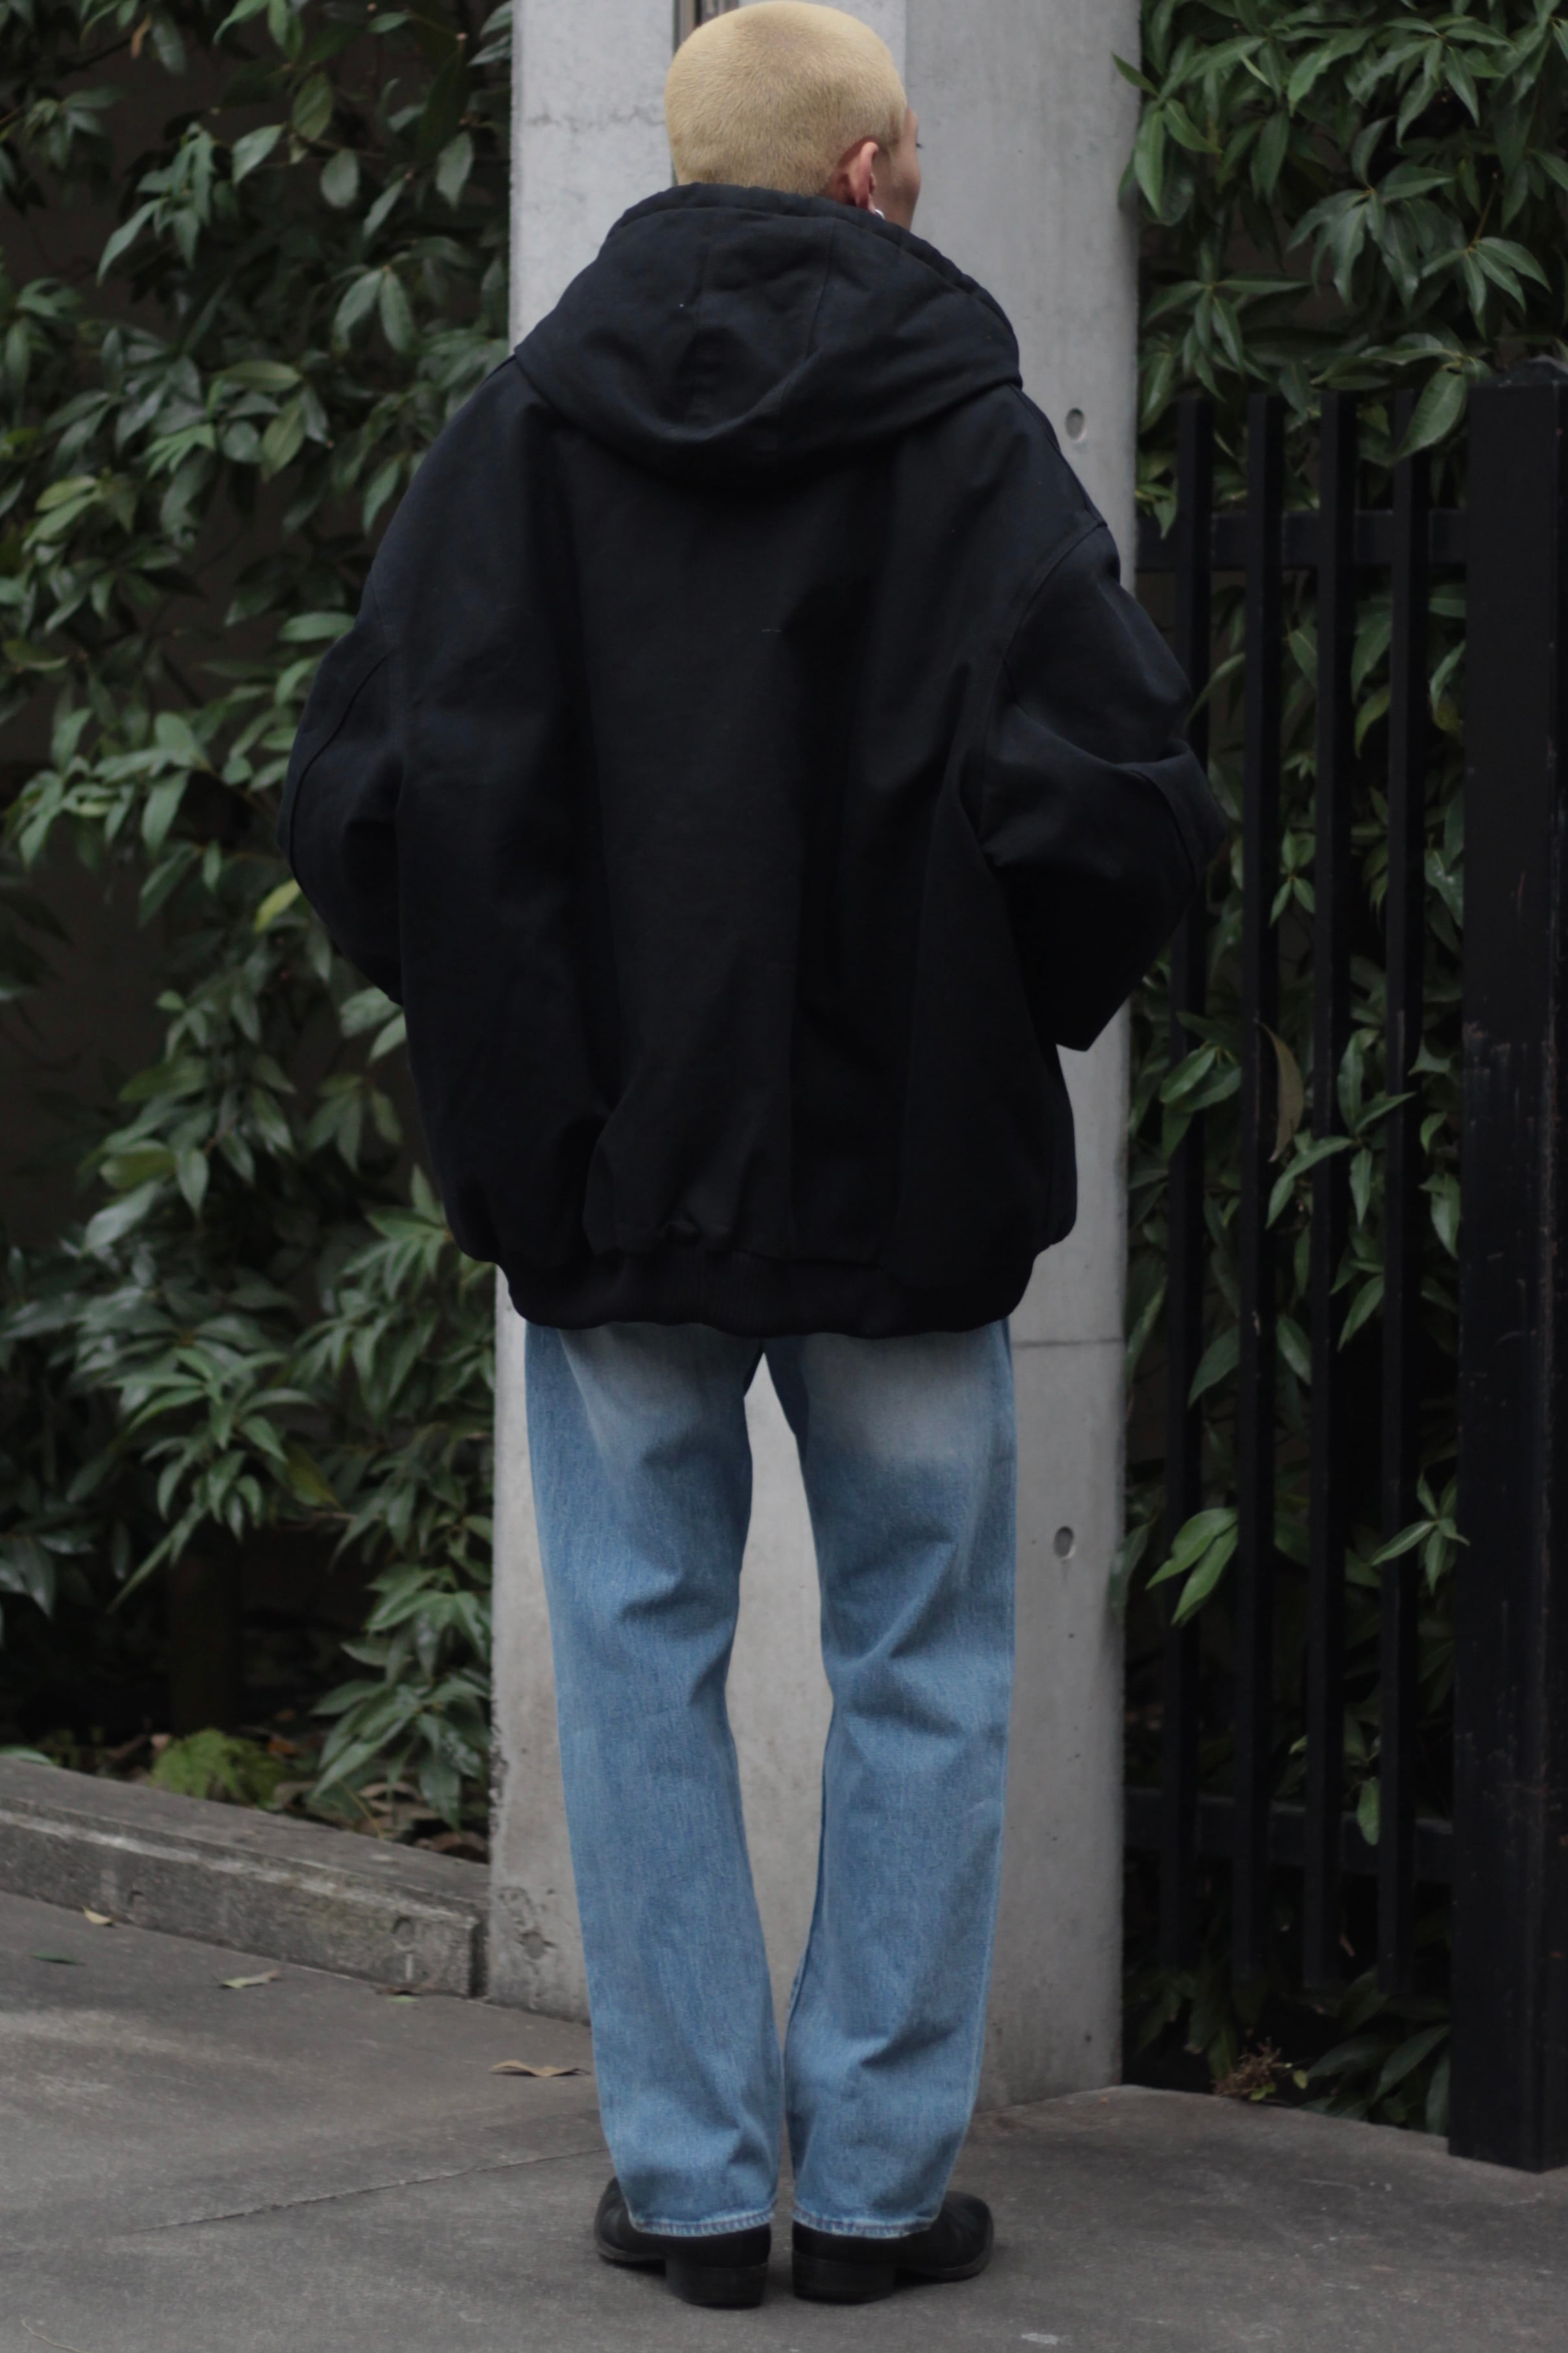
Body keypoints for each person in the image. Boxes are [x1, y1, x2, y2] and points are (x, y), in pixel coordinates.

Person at [281, 0, 1224, 2313]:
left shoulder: (517, 438)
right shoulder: (974, 446)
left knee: (632, 1657)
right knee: (922, 1658)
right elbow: (1116, 805)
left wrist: (520, 1060)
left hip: (605, 1171)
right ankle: (877, 2193)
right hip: (906, 1171)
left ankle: (693, 2190)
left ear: (679, 167)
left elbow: (370, 803)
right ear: (872, 171)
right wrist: (988, 1017)